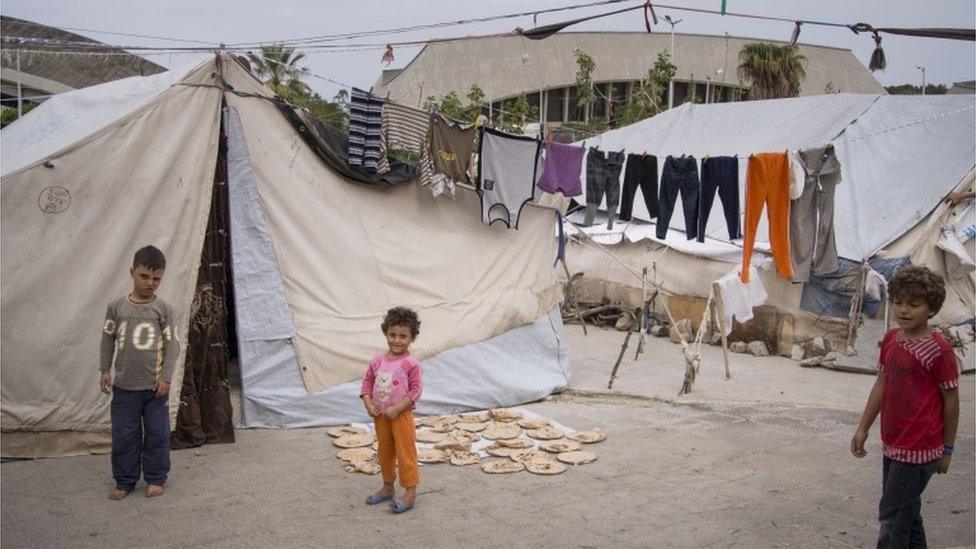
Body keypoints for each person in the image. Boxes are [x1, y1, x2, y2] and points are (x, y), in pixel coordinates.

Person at [850, 266, 960, 547]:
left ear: (931, 309)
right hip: (894, 441)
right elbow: (881, 385)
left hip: (920, 448)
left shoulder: (939, 351)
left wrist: (947, 449)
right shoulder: (890, 339)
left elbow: (951, 401)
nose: (903, 310)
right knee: (908, 515)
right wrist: (863, 427)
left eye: (914, 304)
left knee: (892, 516)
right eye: (898, 302)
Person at [99, 245, 180, 500]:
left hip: (154, 389)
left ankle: (156, 478)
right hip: (124, 388)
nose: (150, 283)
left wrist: (166, 377)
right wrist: (105, 370)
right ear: (132, 272)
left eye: (157, 279)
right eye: (145, 276)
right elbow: (107, 340)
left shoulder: (163, 310)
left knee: (157, 434)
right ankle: (125, 480)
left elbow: (172, 346)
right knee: (124, 435)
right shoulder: (116, 307)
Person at [360, 307, 423, 514]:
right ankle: (388, 487)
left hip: (401, 415)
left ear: (412, 337)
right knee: (385, 451)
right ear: (386, 333)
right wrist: (369, 404)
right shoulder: (377, 361)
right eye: (392, 335)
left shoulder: (411, 364)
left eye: (403, 336)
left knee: (406, 453)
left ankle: (410, 493)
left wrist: (397, 408)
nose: (397, 340)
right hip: (380, 416)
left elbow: (416, 390)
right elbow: (367, 384)